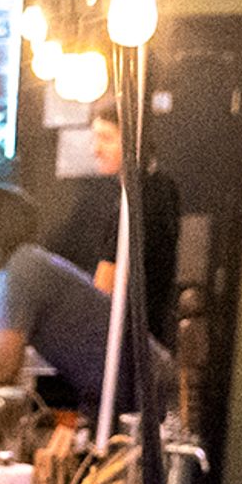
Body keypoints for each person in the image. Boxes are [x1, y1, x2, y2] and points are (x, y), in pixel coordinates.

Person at [0, 183, 156, 416]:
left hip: (142, 392)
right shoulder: (20, 264)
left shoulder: (19, 270)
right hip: (129, 389)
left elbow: (3, 369)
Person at [47, 102, 183, 331]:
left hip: (128, 339)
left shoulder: (136, 202)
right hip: (152, 332)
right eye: (95, 138)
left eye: (106, 138)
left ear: (134, 141)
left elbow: (104, 290)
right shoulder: (162, 186)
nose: (95, 150)